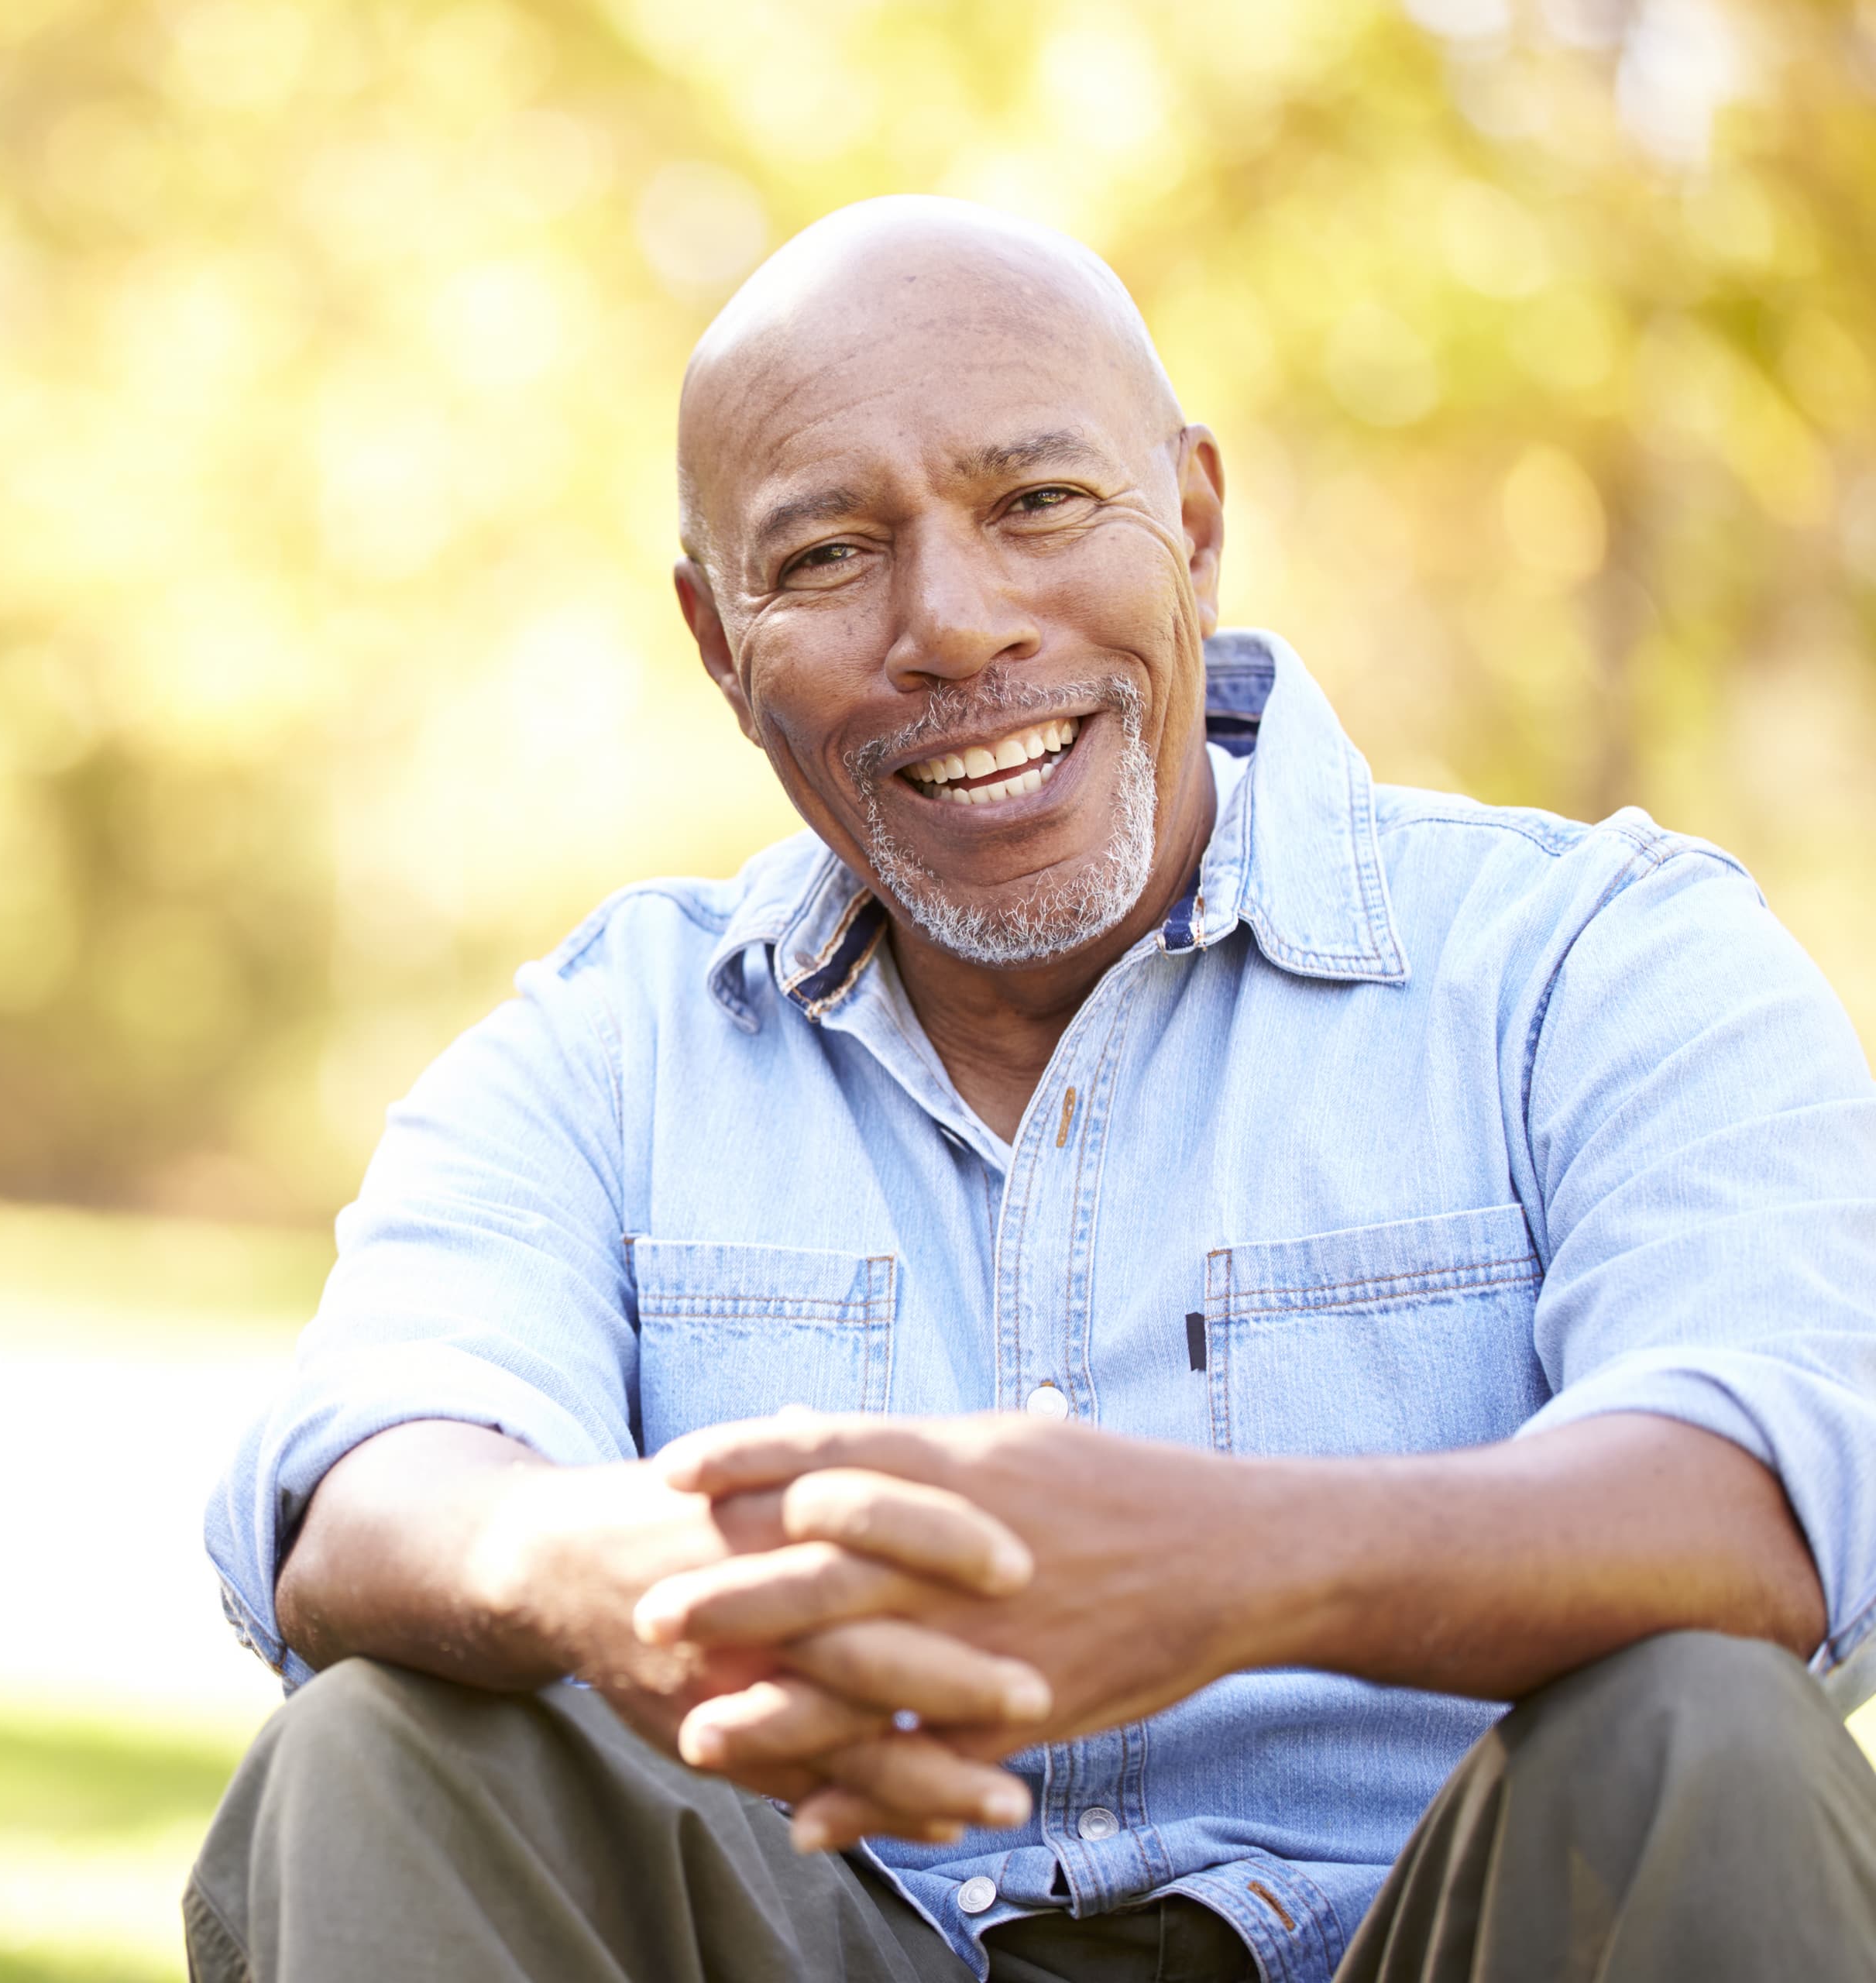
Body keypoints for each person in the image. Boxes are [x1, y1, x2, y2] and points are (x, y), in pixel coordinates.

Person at [187, 197, 1876, 1983]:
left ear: (1197, 525)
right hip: (836, 1930)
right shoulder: (613, 1043)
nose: (956, 622)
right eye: (830, 554)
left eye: (1038, 504)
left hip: (1435, 1936)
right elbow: (364, 1484)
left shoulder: (1594, 956)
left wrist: (1238, 1563)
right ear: (716, 639)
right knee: (381, 1745)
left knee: (1707, 1721)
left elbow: (1773, 1492)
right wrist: (605, 1564)